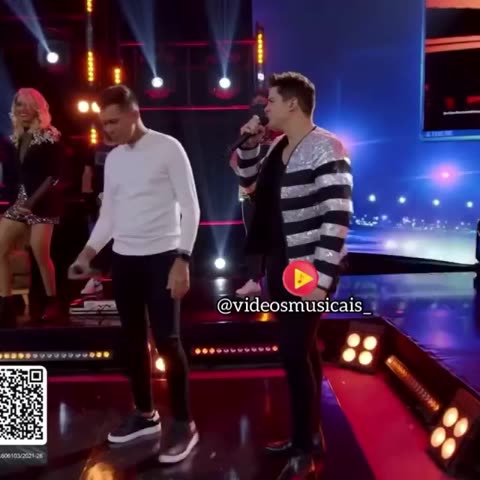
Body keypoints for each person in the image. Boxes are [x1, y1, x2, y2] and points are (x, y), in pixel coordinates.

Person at [68, 85, 201, 464]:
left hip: (163, 258)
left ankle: (183, 423)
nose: (107, 130)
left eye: (113, 122)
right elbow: (109, 214)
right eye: (103, 123)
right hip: (125, 260)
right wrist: (88, 252)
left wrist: (182, 259)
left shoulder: (168, 148)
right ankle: (145, 414)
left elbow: (191, 208)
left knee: (168, 342)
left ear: (133, 114)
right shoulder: (113, 159)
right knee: (131, 341)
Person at [235, 72, 353, 479]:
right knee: (302, 350)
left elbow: (337, 216)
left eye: (270, 101)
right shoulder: (277, 148)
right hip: (280, 264)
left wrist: (321, 279)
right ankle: (310, 434)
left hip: (308, 269)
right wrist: (249, 146)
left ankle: (304, 447)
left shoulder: (326, 146)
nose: (264, 108)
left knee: (291, 351)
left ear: (292, 103)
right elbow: (249, 186)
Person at [0, 88, 66, 325]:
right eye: (19, 105)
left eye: (28, 105)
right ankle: (6, 303)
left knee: (40, 253)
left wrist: (32, 202)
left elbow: (53, 176)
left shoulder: (50, 137)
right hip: (19, 201)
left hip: (43, 202)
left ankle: (52, 301)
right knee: (0, 248)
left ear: (38, 109)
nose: (23, 109)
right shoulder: (16, 137)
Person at [230, 90, 281, 297]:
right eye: (256, 105)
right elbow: (234, 162)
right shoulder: (248, 132)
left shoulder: (280, 132)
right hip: (249, 194)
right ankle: (254, 279)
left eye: (263, 104)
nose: (260, 109)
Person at [80, 132, 117, 295]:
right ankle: (95, 281)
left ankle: (121, 278)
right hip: (97, 202)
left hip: (120, 201)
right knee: (95, 241)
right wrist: (87, 197)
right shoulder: (94, 148)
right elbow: (87, 173)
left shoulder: (125, 148)